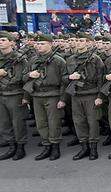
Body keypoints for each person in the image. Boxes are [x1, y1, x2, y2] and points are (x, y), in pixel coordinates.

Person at [23, 34, 67, 161]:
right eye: (38, 44)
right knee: (41, 123)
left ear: (50, 44)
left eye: (42, 44)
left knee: (54, 123)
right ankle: (46, 145)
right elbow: (24, 78)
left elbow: (65, 81)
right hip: (37, 95)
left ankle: (55, 147)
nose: (39, 46)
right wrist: (30, 74)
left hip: (53, 94)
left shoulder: (59, 61)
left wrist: (63, 99)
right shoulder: (32, 60)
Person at [0, 32, 29, 160]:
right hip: (1, 94)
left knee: (18, 122)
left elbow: (24, 78)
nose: (1, 42)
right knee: (4, 123)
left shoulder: (19, 58)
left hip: (15, 93)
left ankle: (20, 147)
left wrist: (26, 97)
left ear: (11, 42)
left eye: (3, 39)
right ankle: (11, 146)